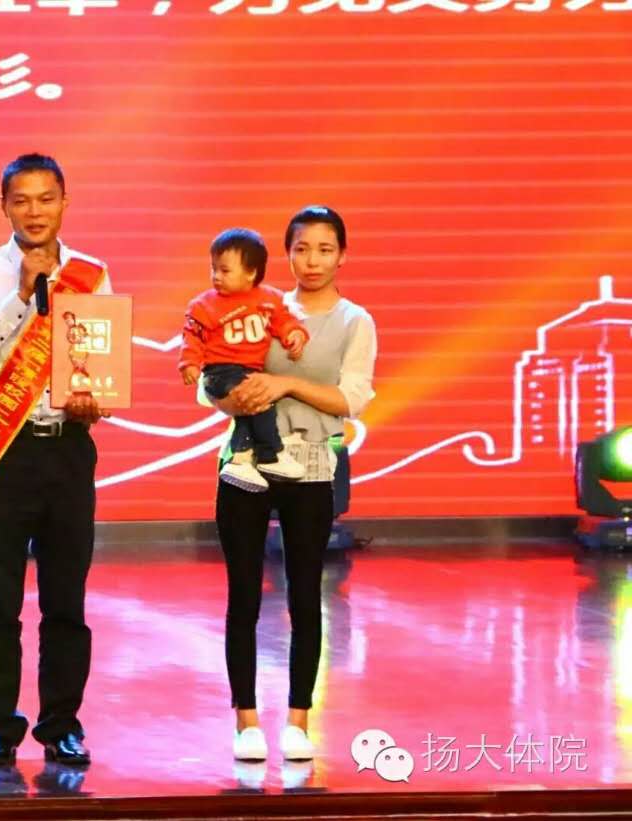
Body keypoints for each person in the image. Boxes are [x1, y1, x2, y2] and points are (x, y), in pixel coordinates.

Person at [0, 153, 110, 767]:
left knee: (66, 599)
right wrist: (20, 296)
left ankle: (62, 724)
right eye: (22, 200)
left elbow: (97, 361)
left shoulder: (91, 275)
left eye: (46, 198)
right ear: (4, 206)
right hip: (3, 452)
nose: (35, 211)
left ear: (64, 201)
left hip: (67, 448)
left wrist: (95, 401)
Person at [208, 206, 377, 762]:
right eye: (302, 249)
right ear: (287, 254)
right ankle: (246, 721)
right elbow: (213, 380)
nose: (312, 261)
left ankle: (299, 721)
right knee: (243, 597)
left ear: (343, 256)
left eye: (325, 249)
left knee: (306, 597)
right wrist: (234, 397)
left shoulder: (355, 321)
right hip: (245, 467)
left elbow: (351, 398)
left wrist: (284, 385)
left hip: (310, 470)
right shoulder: (259, 307)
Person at [178, 228, 309, 492]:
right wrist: (189, 364)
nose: (216, 276)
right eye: (213, 269)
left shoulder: (269, 299)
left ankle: (240, 460)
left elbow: (284, 321)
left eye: (225, 270)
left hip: (248, 370)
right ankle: (271, 455)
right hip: (220, 373)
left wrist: (294, 334)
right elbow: (192, 336)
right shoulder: (204, 306)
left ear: (251, 273)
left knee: (254, 401)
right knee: (260, 399)